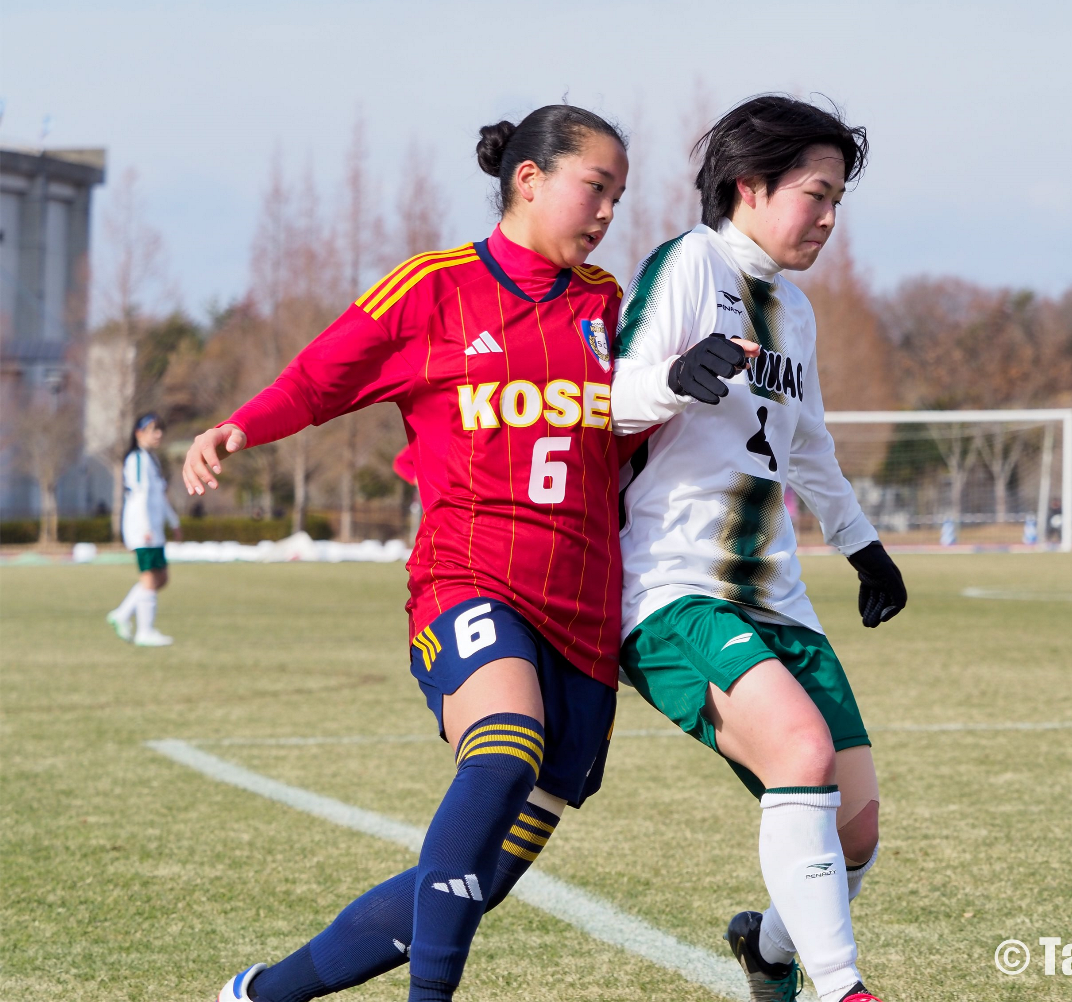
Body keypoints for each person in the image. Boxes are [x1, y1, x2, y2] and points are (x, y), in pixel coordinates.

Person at [185, 105, 631, 1002]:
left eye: (619, 196)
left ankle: (258, 995)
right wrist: (240, 427)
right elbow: (320, 376)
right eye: (596, 188)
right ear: (529, 178)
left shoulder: (608, 303)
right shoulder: (433, 288)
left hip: (585, 615)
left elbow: (636, 436)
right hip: (470, 582)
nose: (608, 212)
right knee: (503, 754)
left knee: (479, 882)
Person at [611, 95, 906, 1002]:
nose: (826, 216)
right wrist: (674, 376)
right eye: (814, 194)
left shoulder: (798, 313)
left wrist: (861, 546)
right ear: (749, 185)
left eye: (837, 201)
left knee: (856, 830)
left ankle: (768, 953)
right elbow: (610, 396)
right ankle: (844, 988)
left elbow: (806, 443)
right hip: (673, 590)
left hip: (775, 593)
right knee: (801, 754)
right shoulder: (690, 263)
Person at [106, 412, 181, 647]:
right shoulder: (136, 459)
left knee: (162, 577)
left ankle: (122, 613)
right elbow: (139, 496)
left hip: (155, 529)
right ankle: (144, 631)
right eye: (152, 429)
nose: (158, 434)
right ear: (139, 433)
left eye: (160, 430)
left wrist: (174, 522)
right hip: (142, 529)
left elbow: (159, 496)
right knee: (149, 578)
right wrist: (146, 527)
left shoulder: (152, 460)